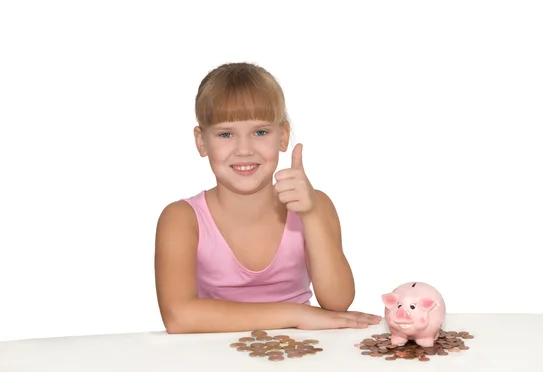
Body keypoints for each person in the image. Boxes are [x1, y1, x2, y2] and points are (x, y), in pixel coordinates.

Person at [154, 62, 381, 334]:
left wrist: (311, 215)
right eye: (226, 134)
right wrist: (296, 315)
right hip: (213, 359)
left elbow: (338, 301)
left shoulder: (314, 205)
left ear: (283, 136)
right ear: (201, 142)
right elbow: (179, 317)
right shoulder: (181, 219)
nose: (244, 149)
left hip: (304, 354)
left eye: (260, 132)